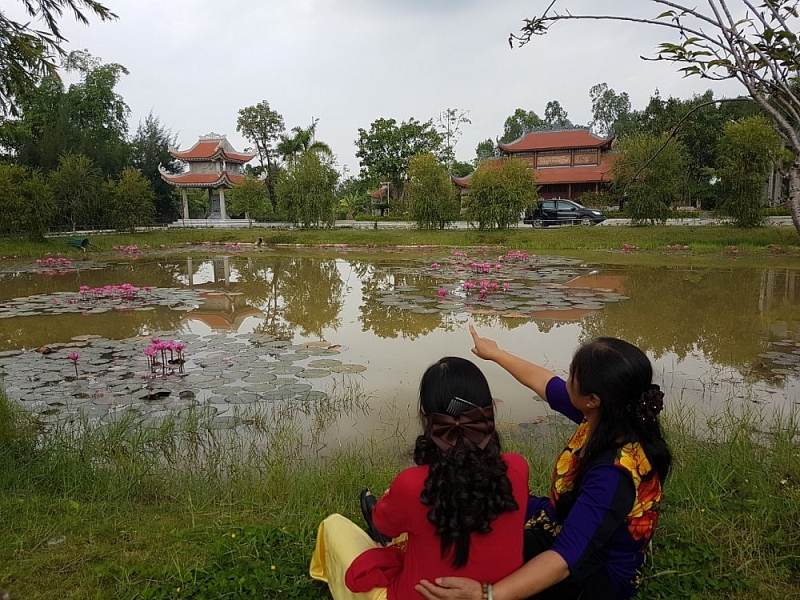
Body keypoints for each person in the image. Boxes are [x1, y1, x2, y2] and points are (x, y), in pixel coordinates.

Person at [416, 326, 672, 600]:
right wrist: (495, 354)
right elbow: (545, 383)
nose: (567, 380)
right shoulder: (610, 415)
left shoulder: (613, 475)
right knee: (488, 497)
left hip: (594, 572)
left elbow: (565, 558)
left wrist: (488, 595)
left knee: (488, 554)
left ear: (593, 400)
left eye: (573, 376)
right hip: (560, 518)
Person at [310, 356, 530, 600]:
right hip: (496, 594)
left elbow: (384, 525)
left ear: (427, 419)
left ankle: (326, 570)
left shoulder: (413, 484)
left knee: (334, 526)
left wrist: (393, 499)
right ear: (488, 413)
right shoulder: (517, 468)